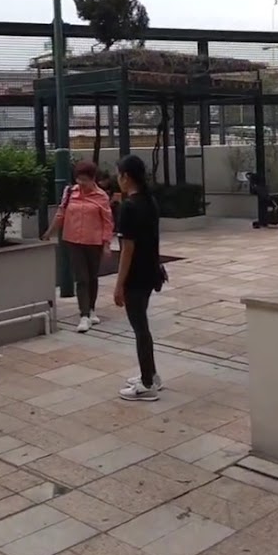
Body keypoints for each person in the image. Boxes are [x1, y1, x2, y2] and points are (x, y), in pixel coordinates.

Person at [43, 160, 114, 333]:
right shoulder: (70, 192)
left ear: (93, 179)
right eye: (78, 179)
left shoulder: (101, 196)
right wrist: (49, 232)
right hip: (73, 241)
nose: (81, 183)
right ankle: (83, 315)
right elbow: (61, 213)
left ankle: (91, 309)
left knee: (92, 277)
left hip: (94, 242)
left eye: (85, 179)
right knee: (81, 278)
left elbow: (107, 222)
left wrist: (106, 244)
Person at [114, 154, 162, 401]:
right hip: (151, 272)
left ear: (126, 176)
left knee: (140, 328)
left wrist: (119, 284)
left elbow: (127, 250)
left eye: (118, 175)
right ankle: (151, 374)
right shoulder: (149, 201)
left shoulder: (129, 207)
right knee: (142, 326)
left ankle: (147, 384)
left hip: (136, 276)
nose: (117, 179)